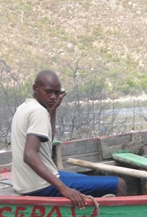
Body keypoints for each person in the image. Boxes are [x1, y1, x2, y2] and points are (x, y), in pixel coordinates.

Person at [11, 70, 127, 208]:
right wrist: (64, 189)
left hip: (26, 184)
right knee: (119, 184)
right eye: (48, 92)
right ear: (35, 88)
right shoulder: (38, 111)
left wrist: (52, 110)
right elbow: (29, 155)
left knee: (84, 179)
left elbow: (47, 141)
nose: (53, 97)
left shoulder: (24, 107)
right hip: (41, 186)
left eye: (56, 92)